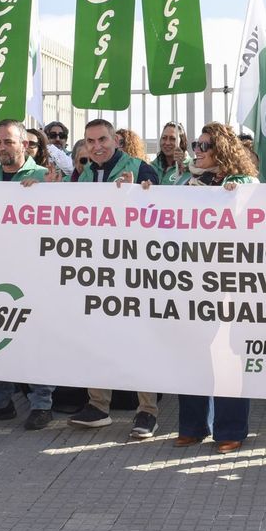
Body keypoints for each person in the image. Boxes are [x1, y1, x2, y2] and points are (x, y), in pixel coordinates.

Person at [67, 119, 160, 431]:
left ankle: (147, 410)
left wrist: (141, 194)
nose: (96, 147)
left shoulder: (141, 169)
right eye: (90, 141)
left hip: (135, 271)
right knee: (97, 338)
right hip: (96, 271)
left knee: (140, 340)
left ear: (116, 140)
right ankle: (97, 405)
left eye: (102, 139)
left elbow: (162, 214)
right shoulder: (83, 175)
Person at [0, 120, 57, 431]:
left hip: (36, 273)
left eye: (8, 142)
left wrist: (48, 191)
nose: (2, 147)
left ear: (24, 145)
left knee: (38, 339)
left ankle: (42, 403)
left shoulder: (44, 177)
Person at [176, 122, 260, 452]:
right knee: (191, 354)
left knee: (227, 357)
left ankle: (231, 430)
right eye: (196, 144)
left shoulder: (245, 184)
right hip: (191, 281)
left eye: (205, 145)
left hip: (232, 282)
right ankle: (193, 426)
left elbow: (257, 224)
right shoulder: (184, 181)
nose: (198, 150)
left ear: (222, 149)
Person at [153, 121, 193, 185]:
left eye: (172, 139)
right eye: (164, 138)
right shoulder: (152, 167)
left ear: (182, 142)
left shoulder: (193, 167)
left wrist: (182, 167)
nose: (167, 143)